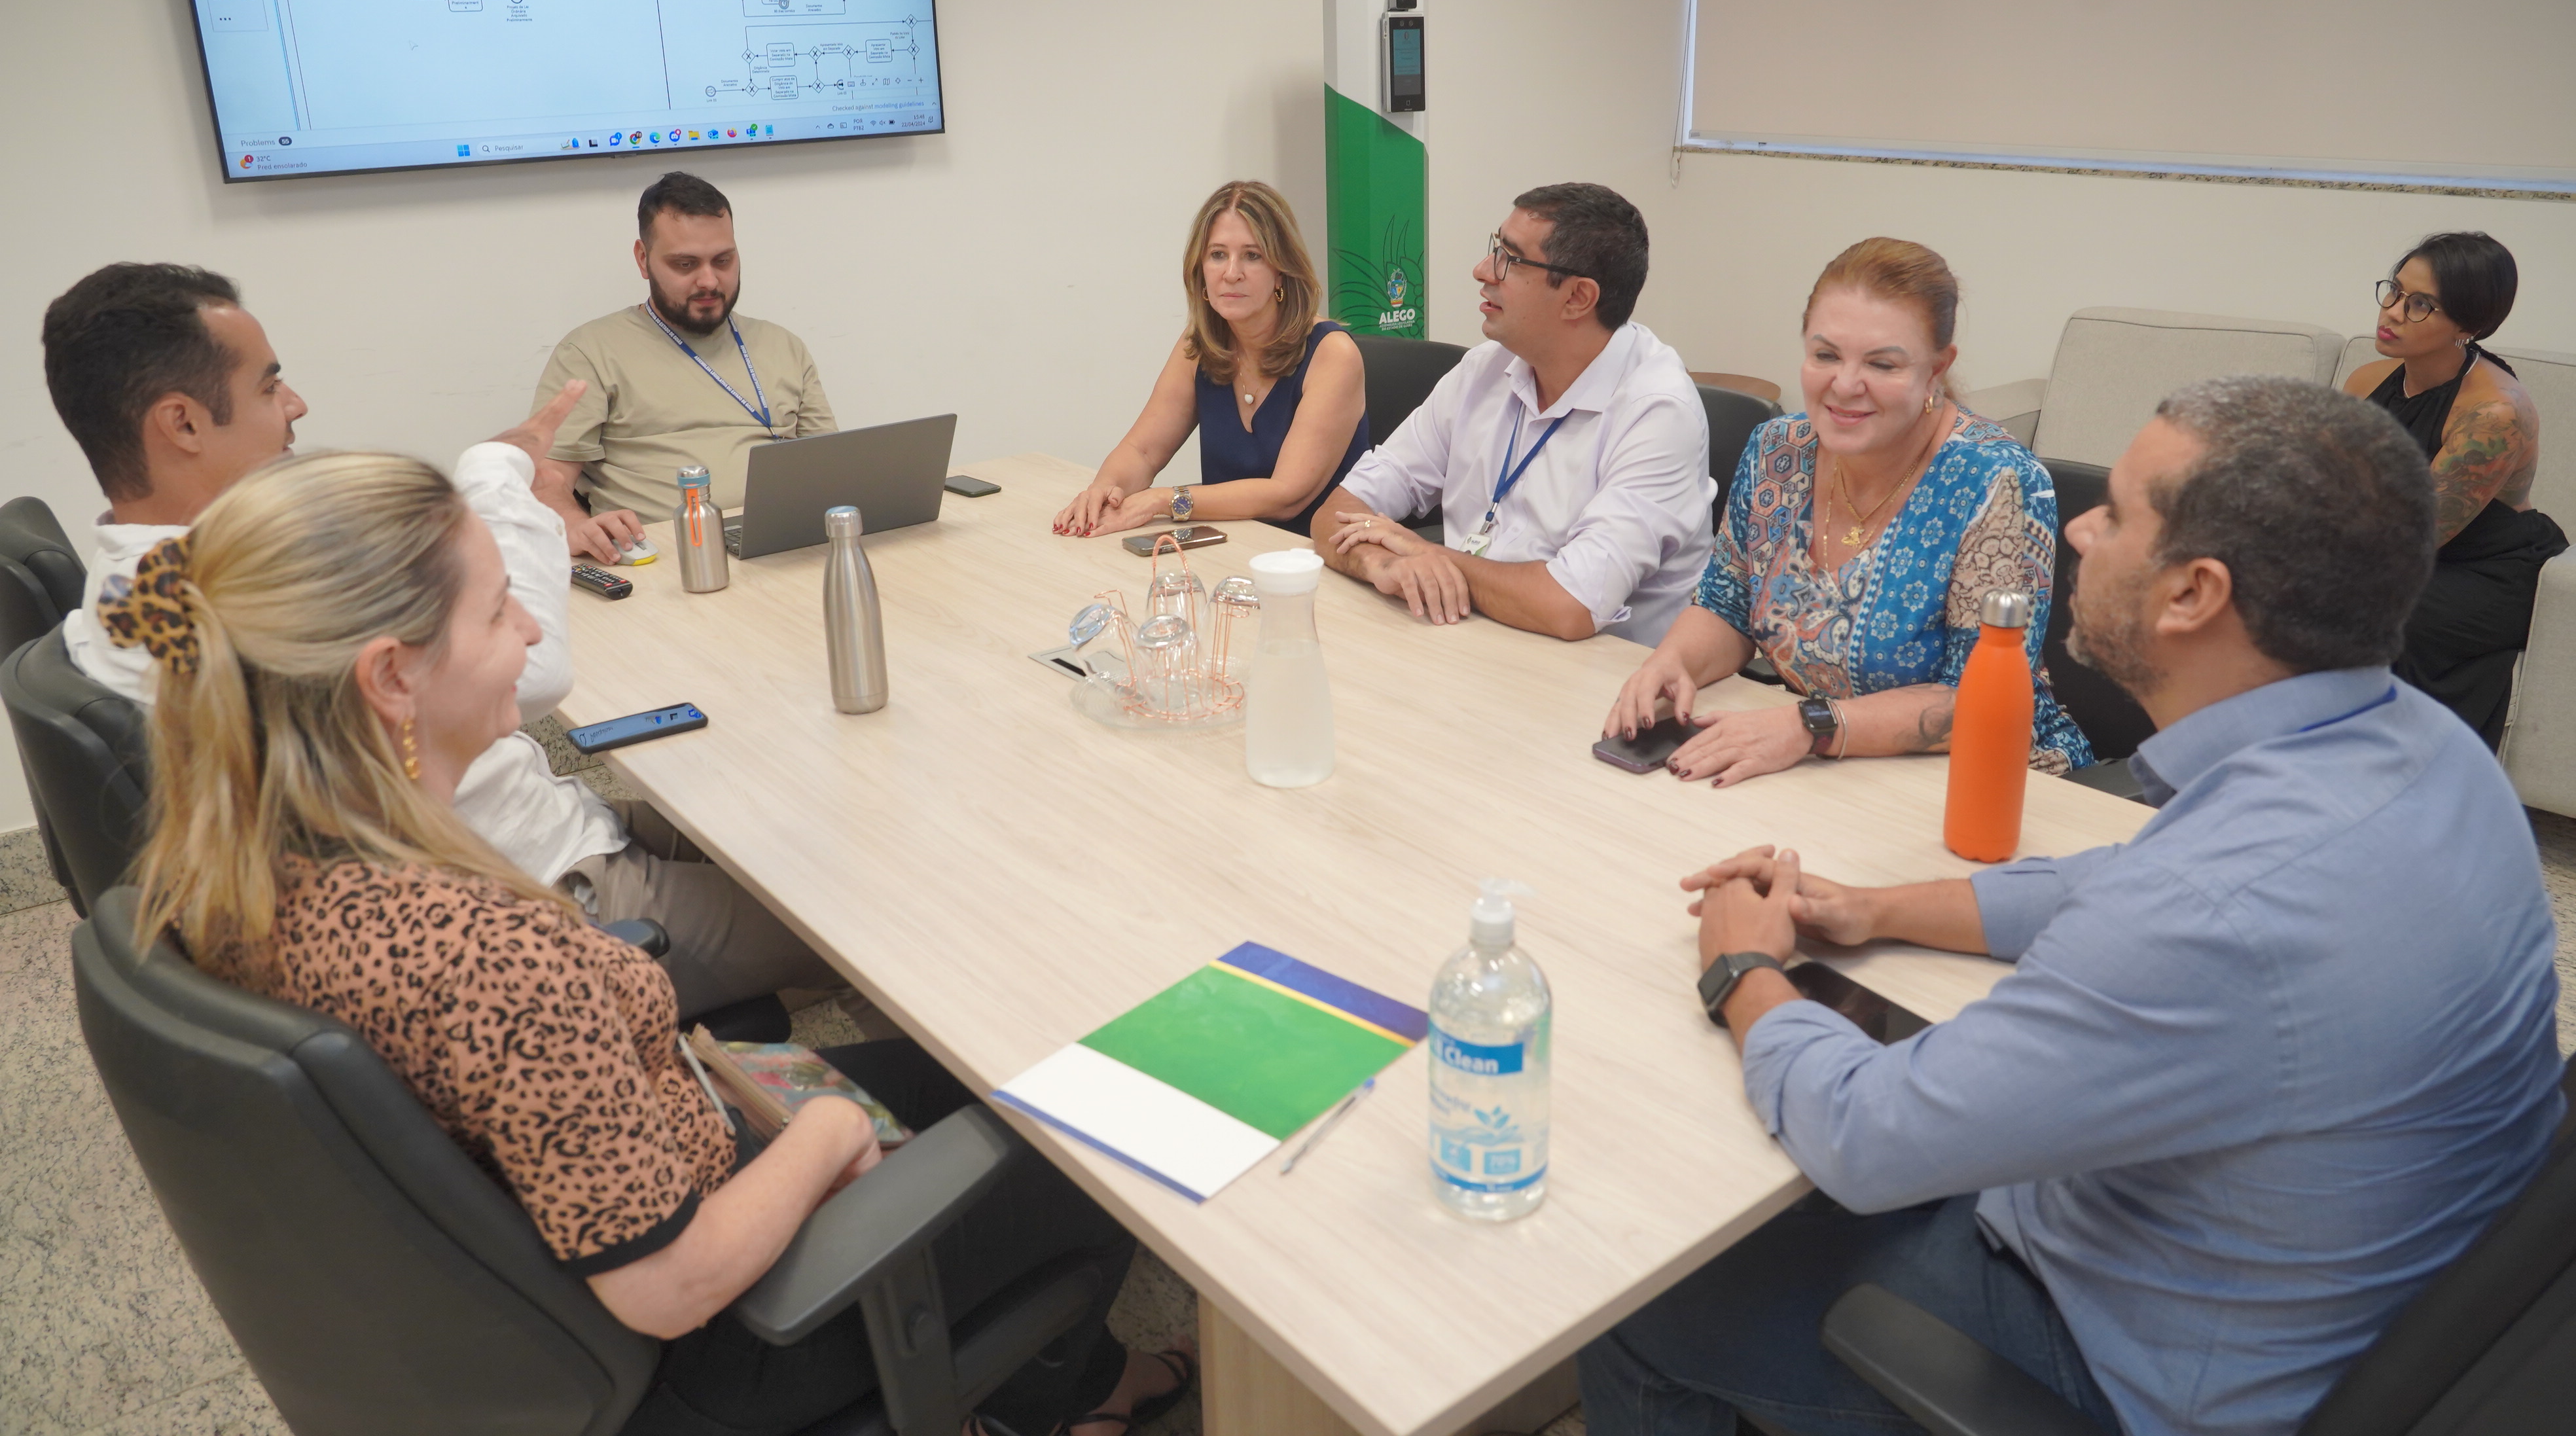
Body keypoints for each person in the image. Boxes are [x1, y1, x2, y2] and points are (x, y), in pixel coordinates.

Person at [104, 451, 1192, 1436]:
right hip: (732, 1329)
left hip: (622, 1199)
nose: (532, 632)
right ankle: (1064, 1394)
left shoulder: (228, 865)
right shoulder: (483, 956)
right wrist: (822, 1134)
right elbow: (667, 1285)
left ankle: (1057, 1385)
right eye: (498, 611)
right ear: (391, 676)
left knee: (968, 1070)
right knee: (1112, 1122)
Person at [1579, 378, 2564, 1436]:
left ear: (2193, 594)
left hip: (2123, 1364)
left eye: (2118, 514)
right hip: (2316, 1289)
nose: (2081, 529)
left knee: (1639, 1291)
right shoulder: (2428, 750)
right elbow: (2120, 878)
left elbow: (1867, 1133)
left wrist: (1742, 968)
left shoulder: (2209, 909)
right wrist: (1872, 908)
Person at [39, 262, 835, 1018]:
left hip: (546, 828)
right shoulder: (242, 601)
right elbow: (530, 671)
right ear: (181, 422)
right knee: (852, 915)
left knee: (804, 831)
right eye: (269, 385)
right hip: (538, 896)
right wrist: (497, 474)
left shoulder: (137, 589)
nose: (296, 404)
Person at [1605, 238, 2092, 785]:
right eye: (1826, 355)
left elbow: (1981, 700)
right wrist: (1672, 663)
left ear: (1937, 369)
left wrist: (1810, 726)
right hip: (1828, 770)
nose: (1844, 385)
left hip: (1991, 780)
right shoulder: (1777, 451)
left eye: (1882, 364)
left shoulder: (1997, 483)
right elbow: (1727, 607)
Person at [1312, 183, 1712, 643]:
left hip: (1600, 673)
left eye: (1511, 259)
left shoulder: (1659, 412)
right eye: (1494, 248)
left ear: (1578, 298)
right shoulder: (1486, 368)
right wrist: (1381, 562)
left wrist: (1427, 554)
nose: (1483, 270)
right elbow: (1338, 511)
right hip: (1471, 637)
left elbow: (1571, 606)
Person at [533, 172, 836, 557]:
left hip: (786, 544)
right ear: (643, 259)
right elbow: (545, 481)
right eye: (685, 264)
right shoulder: (589, 353)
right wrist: (575, 525)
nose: (709, 281)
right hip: (666, 554)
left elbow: (832, 467)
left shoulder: (783, 346)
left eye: (723, 261)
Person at [2341, 231, 2566, 747]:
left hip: (2484, 569)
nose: (2393, 312)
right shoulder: (2366, 381)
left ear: (2469, 326)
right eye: (2395, 291)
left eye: (2420, 305)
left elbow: (2409, 540)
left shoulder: (2495, 413)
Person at [1053, 181, 1368, 539]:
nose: (1231, 273)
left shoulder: (1333, 354)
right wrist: (1103, 492)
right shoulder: (1200, 345)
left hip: (1319, 558)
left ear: (1281, 270)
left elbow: (1287, 496)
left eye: (1252, 256)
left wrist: (1162, 500)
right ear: (1200, 269)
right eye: (1218, 255)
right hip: (1229, 550)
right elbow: (1142, 451)